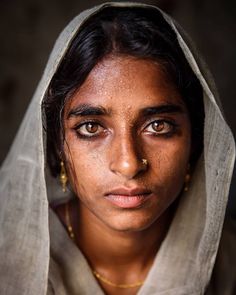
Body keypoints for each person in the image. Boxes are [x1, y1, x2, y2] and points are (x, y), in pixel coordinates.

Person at [0, 2, 235, 295]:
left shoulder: (227, 264)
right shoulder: (9, 261)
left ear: (196, 138)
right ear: (58, 144)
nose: (129, 164)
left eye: (158, 125)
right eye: (91, 127)